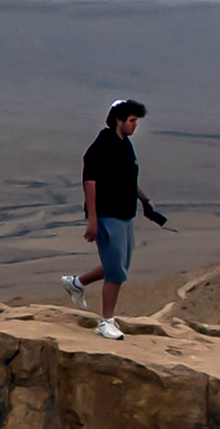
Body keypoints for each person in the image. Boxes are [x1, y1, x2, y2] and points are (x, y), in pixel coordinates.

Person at [60, 98, 167, 340]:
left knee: (119, 265)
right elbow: (90, 182)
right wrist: (94, 220)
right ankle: (106, 321)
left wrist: (145, 201)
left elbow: (128, 179)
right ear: (118, 121)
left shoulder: (125, 144)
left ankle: (76, 283)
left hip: (125, 214)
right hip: (108, 215)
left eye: (136, 121)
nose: (135, 126)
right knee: (116, 272)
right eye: (131, 121)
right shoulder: (102, 146)